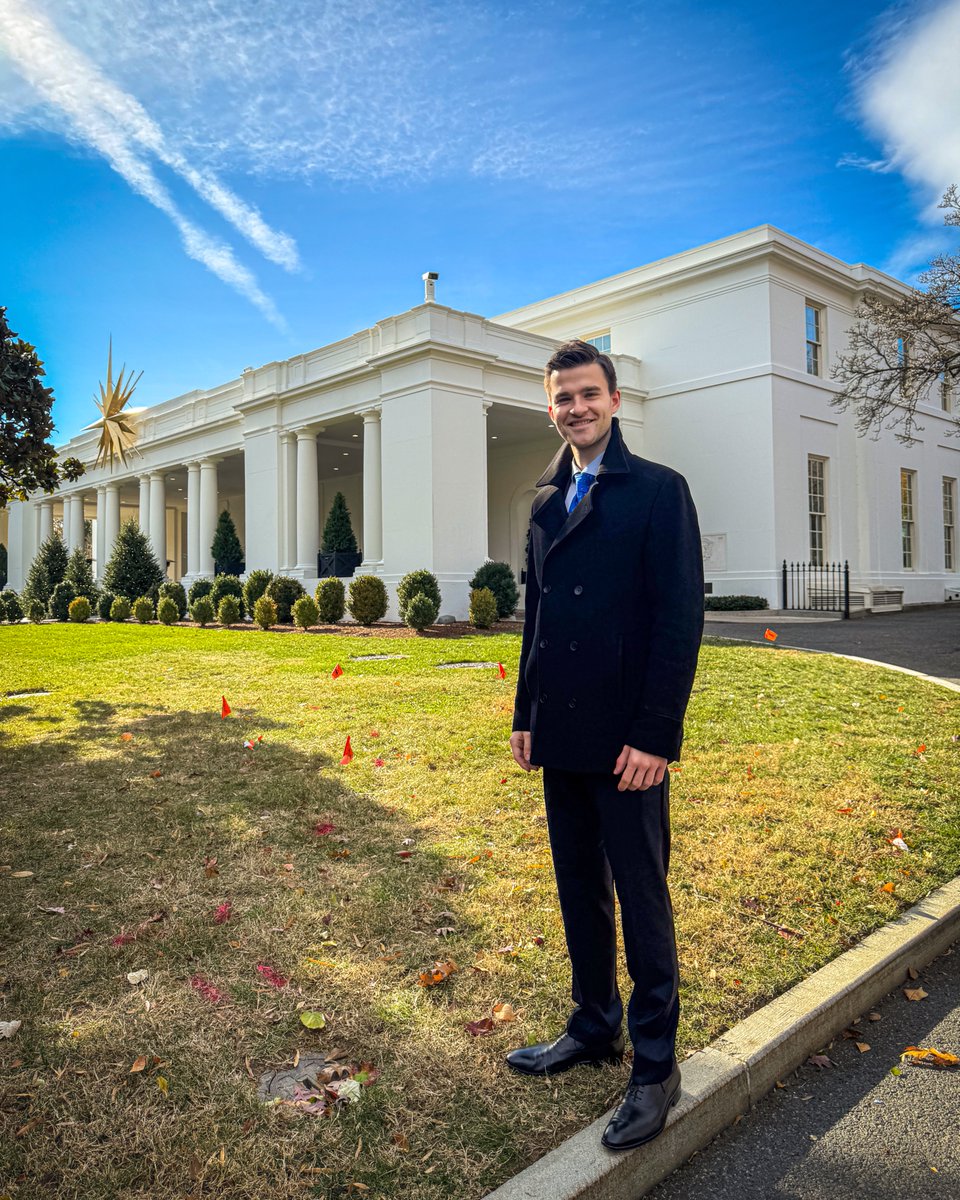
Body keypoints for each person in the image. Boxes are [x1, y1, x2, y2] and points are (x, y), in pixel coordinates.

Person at [507, 338, 703, 1152]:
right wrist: (525, 713)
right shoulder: (543, 498)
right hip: (562, 733)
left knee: (641, 893)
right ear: (550, 407)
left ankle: (655, 1066)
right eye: (563, 398)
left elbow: (678, 620)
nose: (576, 409)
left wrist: (656, 735)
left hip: (629, 744)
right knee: (579, 886)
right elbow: (539, 619)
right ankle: (594, 1025)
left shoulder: (660, 492)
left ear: (614, 401)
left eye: (589, 395)